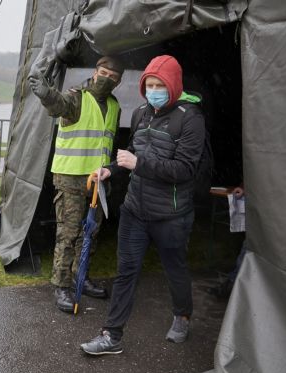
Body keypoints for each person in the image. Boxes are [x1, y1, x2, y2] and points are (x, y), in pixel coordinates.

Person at [80, 55, 205, 355]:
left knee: (175, 269)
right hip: (135, 210)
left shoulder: (190, 118)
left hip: (171, 215)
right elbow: (132, 153)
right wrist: (110, 169)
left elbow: (185, 170)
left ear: (173, 86)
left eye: (159, 85)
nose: (153, 90)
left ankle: (182, 315)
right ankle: (111, 335)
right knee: (126, 271)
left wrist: (139, 163)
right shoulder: (140, 113)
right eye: (149, 85)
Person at [28, 56, 125, 312]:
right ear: (95, 72)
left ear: (119, 81)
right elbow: (58, 105)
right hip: (70, 178)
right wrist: (46, 94)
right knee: (68, 234)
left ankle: (80, 277)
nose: (107, 79)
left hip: (98, 180)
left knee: (90, 234)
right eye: (103, 72)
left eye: (113, 77)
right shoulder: (77, 97)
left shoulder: (115, 106)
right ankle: (61, 286)